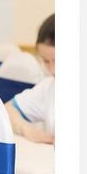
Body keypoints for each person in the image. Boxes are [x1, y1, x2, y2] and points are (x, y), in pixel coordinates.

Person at [5, 14, 55, 144]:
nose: (52, 70)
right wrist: (27, 129)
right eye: (46, 61)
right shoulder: (49, 87)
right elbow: (8, 109)